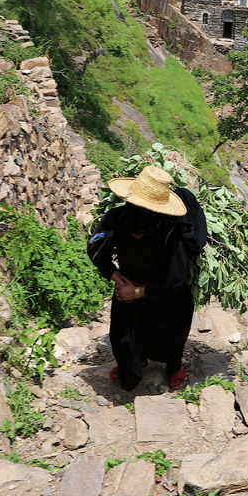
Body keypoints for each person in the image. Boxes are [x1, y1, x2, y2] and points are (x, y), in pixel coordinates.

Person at [88, 166, 202, 391]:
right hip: (127, 280)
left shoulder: (172, 229)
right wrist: (117, 278)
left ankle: (173, 366)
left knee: (171, 331)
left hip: (167, 289)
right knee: (123, 332)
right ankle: (135, 361)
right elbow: (95, 247)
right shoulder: (116, 218)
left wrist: (140, 292)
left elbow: (176, 278)